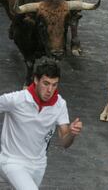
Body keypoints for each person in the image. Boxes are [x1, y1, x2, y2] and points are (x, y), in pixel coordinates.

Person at [0, 57, 82, 190]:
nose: (50, 90)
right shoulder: (16, 100)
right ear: (36, 80)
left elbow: (65, 142)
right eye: (46, 83)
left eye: (54, 85)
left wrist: (72, 134)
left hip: (38, 166)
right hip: (11, 161)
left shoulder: (60, 105)